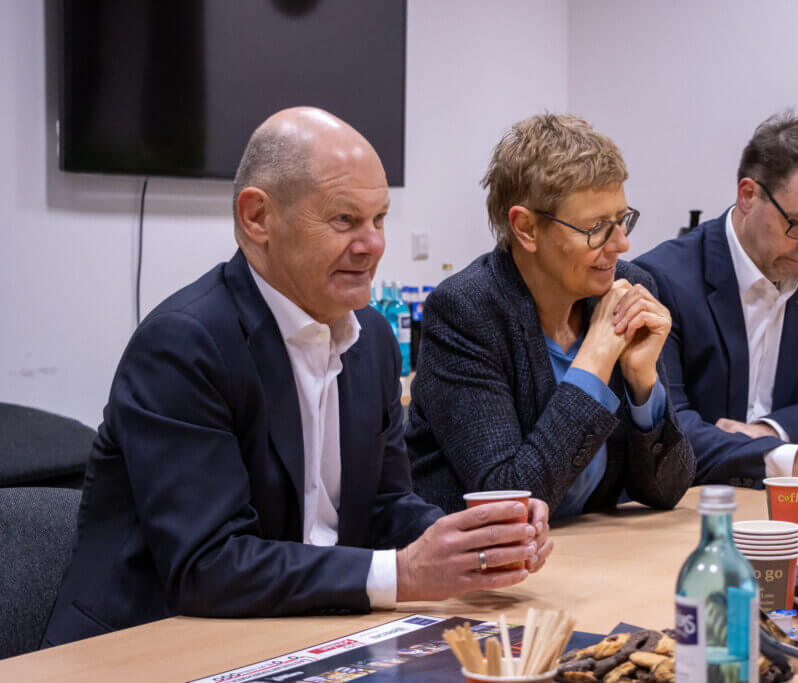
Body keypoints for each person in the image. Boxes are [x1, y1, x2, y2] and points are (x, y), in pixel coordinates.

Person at [43, 107, 552, 647]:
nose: (373, 244)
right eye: (343, 220)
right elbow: (208, 566)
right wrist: (402, 574)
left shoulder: (372, 338)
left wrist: (477, 545)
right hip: (146, 646)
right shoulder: (183, 345)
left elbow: (382, 505)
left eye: (378, 219)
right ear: (257, 217)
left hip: (298, 630)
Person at [406, 113, 695, 518]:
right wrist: (594, 359)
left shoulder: (625, 287)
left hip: (590, 555)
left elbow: (667, 490)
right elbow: (510, 500)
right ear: (526, 228)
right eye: (597, 227)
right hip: (488, 569)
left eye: (622, 220)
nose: (623, 244)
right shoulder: (466, 311)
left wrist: (643, 382)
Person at [634, 113, 798, 492]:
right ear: (748, 195)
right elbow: (670, 431)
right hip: (696, 504)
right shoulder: (662, 279)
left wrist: (770, 430)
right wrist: (796, 463)